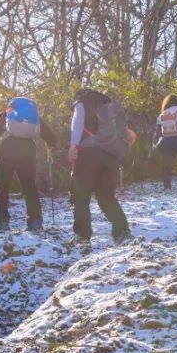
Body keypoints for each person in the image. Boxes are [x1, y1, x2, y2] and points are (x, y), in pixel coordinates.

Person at [68, 87, 132, 245]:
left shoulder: (81, 104)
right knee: (107, 197)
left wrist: (73, 147)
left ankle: (83, 235)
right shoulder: (108, 108)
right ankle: (121, 231)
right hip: (109, 156)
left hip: (87, 154)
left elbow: (77, 125)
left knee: (81, 196)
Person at [0, 97, 58, 231]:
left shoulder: (6, 114)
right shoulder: (34, 117)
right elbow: (53, 139)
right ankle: (35, 221)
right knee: (29, 187)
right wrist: (50, 144)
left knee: (3, 187)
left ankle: (3, 222)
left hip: (8, 148)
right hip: (28, 149)